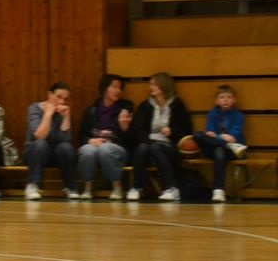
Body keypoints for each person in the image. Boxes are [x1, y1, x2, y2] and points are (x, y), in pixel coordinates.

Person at [127, 72, 192, 201]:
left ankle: (171, 188)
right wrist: (149, 141)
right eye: (150, 84)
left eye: (154, 84)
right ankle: (136, 187)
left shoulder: (177, 104)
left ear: (163, 86)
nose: (150, 87)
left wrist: (172, 131)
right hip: (149, 143)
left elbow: (187, 130)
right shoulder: (145, 105)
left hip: (170, 147)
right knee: (142, 148)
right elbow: (138, 129)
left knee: (155, 148)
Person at [77, 74, 134, 200]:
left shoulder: (125, 108)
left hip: (117, 148)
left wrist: (125, 128)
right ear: (104, 88)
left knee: (105, 149)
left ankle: (117, 187)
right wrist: (90, 140)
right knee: (86, 150)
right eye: (114, 87)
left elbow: (132, 140)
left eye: (120, 88)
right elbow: (82, 135)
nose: (118, 91)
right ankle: (87, 188)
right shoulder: (92, 110)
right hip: (95, 146)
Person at [22, 82, 78, 200]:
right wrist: (48, 114)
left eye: (65, 99)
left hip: (55, 154)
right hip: (34, 153)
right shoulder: (34, 108)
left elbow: (66, 139)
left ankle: (71, 187)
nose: (62, 102)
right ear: (49, 95)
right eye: (58, 97)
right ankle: (33, 185)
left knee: (66, 147)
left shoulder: (63, 112)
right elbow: (39, 136)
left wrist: (66, 117)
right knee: (41, 144)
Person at [192, 84, 247, 202]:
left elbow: (232, 138)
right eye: (222, 97)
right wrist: (221, 137)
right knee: (197, 135)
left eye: (229, 97)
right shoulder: (212, 114)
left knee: (219, 151)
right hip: (216, 147)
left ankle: (218, 190)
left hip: (234, 151)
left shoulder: (238, 116)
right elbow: (209, 134)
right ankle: (218, 189)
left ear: (234, 100)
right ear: (216, 100)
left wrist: (218, 137)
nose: (225, 100)